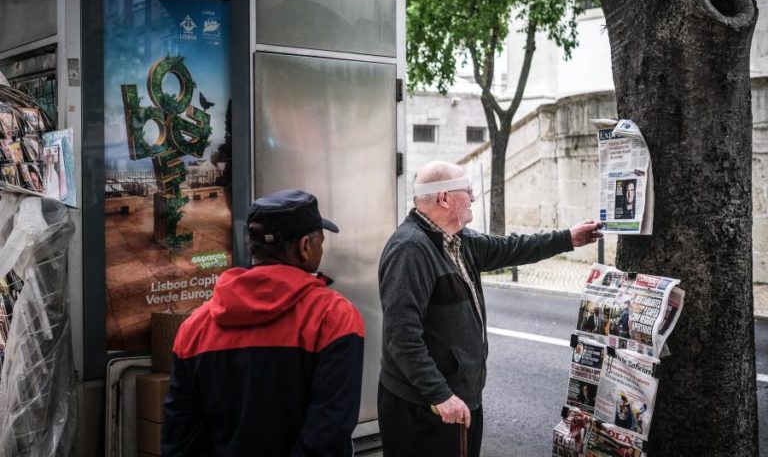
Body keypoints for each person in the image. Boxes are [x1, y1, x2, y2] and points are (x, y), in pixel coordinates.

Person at [377, 161, 602, 457]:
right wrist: (440, 395)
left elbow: (511, 247)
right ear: (444, 198)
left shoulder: (458, 240)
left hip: (458, 400)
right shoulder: (410, 249)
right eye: (467, 190)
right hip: (426, 409)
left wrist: (567, 239)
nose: (473, 196)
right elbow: (401, 337)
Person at [162, 189, 365, 456]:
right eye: (320, 241)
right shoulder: (334, 317)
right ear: (305, 247)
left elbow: (181, 436)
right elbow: (327, 433)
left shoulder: (194, 328)